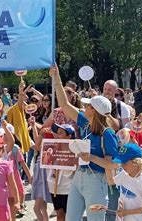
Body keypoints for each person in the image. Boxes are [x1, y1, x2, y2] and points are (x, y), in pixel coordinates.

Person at [50, 65, 119, 221]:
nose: (83, 106)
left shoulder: (108, 134)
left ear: (94, 111)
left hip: (96, 181)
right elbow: (64, 104)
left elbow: (113, 165)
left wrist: (91, 158)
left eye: (87, 105)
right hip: (79, 176)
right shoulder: (85, 122)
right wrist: (57, 77)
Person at [111, 143, 142, 220]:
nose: (122, 166)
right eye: (121, 162)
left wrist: (127, 212)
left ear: (136, 163)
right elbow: (111, 182)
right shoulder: (123, 174)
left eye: (125, 163)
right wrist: (107, 166)